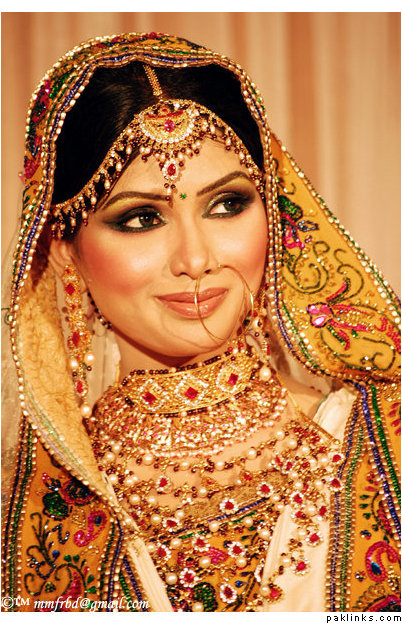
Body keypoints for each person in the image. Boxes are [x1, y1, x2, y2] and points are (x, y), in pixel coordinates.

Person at [2, 32, 400, 613]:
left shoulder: (384, 441)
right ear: (64, 249)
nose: (195, 259)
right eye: (141, 218)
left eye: (227, 204)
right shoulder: (34, 509)